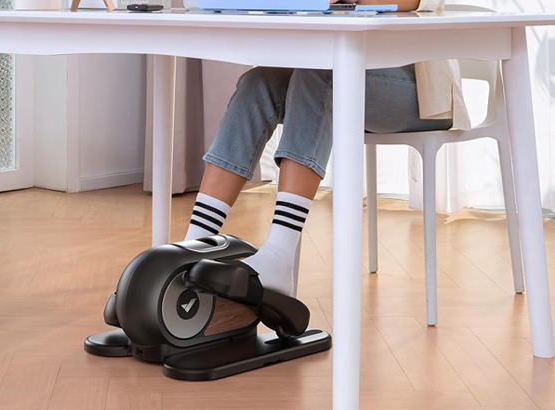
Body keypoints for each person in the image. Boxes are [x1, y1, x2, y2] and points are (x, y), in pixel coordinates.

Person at [183, 0, 470, 297]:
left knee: (323, 76)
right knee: (258, 82)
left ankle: (278, 255)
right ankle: (195, 246)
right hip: (353, 71)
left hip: (423, 95)